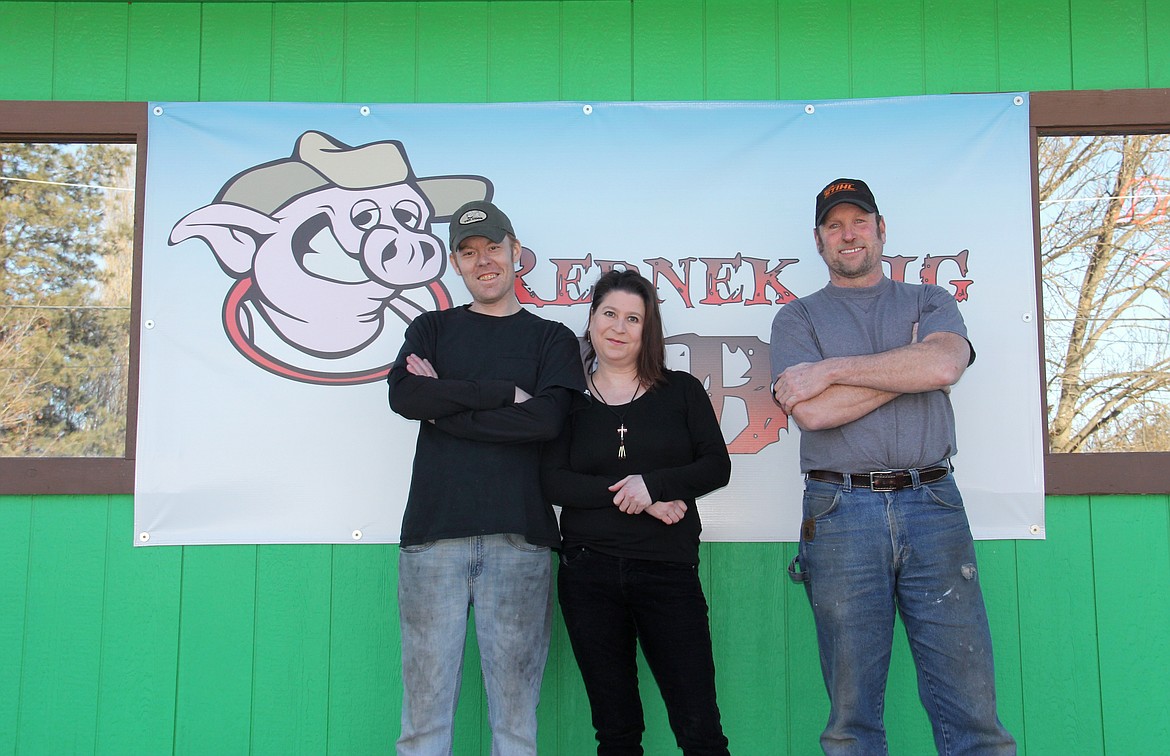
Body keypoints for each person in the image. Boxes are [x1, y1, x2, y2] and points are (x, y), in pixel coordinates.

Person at [769, 179, 1016, 755]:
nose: (847, 234)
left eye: (859, 222)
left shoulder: (930, 301)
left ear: (882, 230)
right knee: (852, 717)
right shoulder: (796, 319)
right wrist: (908, 367)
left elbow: (944, 369)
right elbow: (815, 414)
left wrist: (834, 369)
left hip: (933, 504)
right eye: (834, 226)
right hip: (839, 512)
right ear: (818, 240)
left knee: (972, 707)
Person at [387, 200, 586, 755]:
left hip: (519, 541)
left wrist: (444, 404)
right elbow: (404, 395)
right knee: (422, 724)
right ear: (457, 263)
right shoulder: (430, 328)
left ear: (516, 253)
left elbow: (546, 421)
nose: (484, 261)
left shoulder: (551, 339)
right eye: (469, 252)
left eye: (494, 248)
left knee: (516, 725)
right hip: (432, 541)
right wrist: (500, 394)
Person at [541, 269, 732, 755]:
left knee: (700, 729)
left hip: (667, 574)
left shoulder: (682, 391)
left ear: (648, 331)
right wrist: (635, 498)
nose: (619, 327)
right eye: (609, 314)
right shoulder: (569, 401)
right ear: (591, 320)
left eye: (633, 318)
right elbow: (554, 481)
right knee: (617, 732)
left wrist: (655, 484)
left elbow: (716, 466)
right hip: (589, 577)